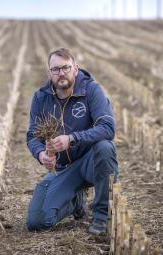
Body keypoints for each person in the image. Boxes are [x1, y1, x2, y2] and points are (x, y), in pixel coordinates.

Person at [26, 48, 118, 235]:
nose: (61, 73)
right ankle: (75, 200)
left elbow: (108, 128)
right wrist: (41, 154)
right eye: (55, 69)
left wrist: (72, 138)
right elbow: (32, 136)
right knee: (36, 222)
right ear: (49, 72)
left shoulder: (91, 90)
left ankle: (101, 216)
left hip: (90, 162)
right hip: (64, 168)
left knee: (105, 147)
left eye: (66, 68)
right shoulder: (40, 98)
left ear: (75, 69)